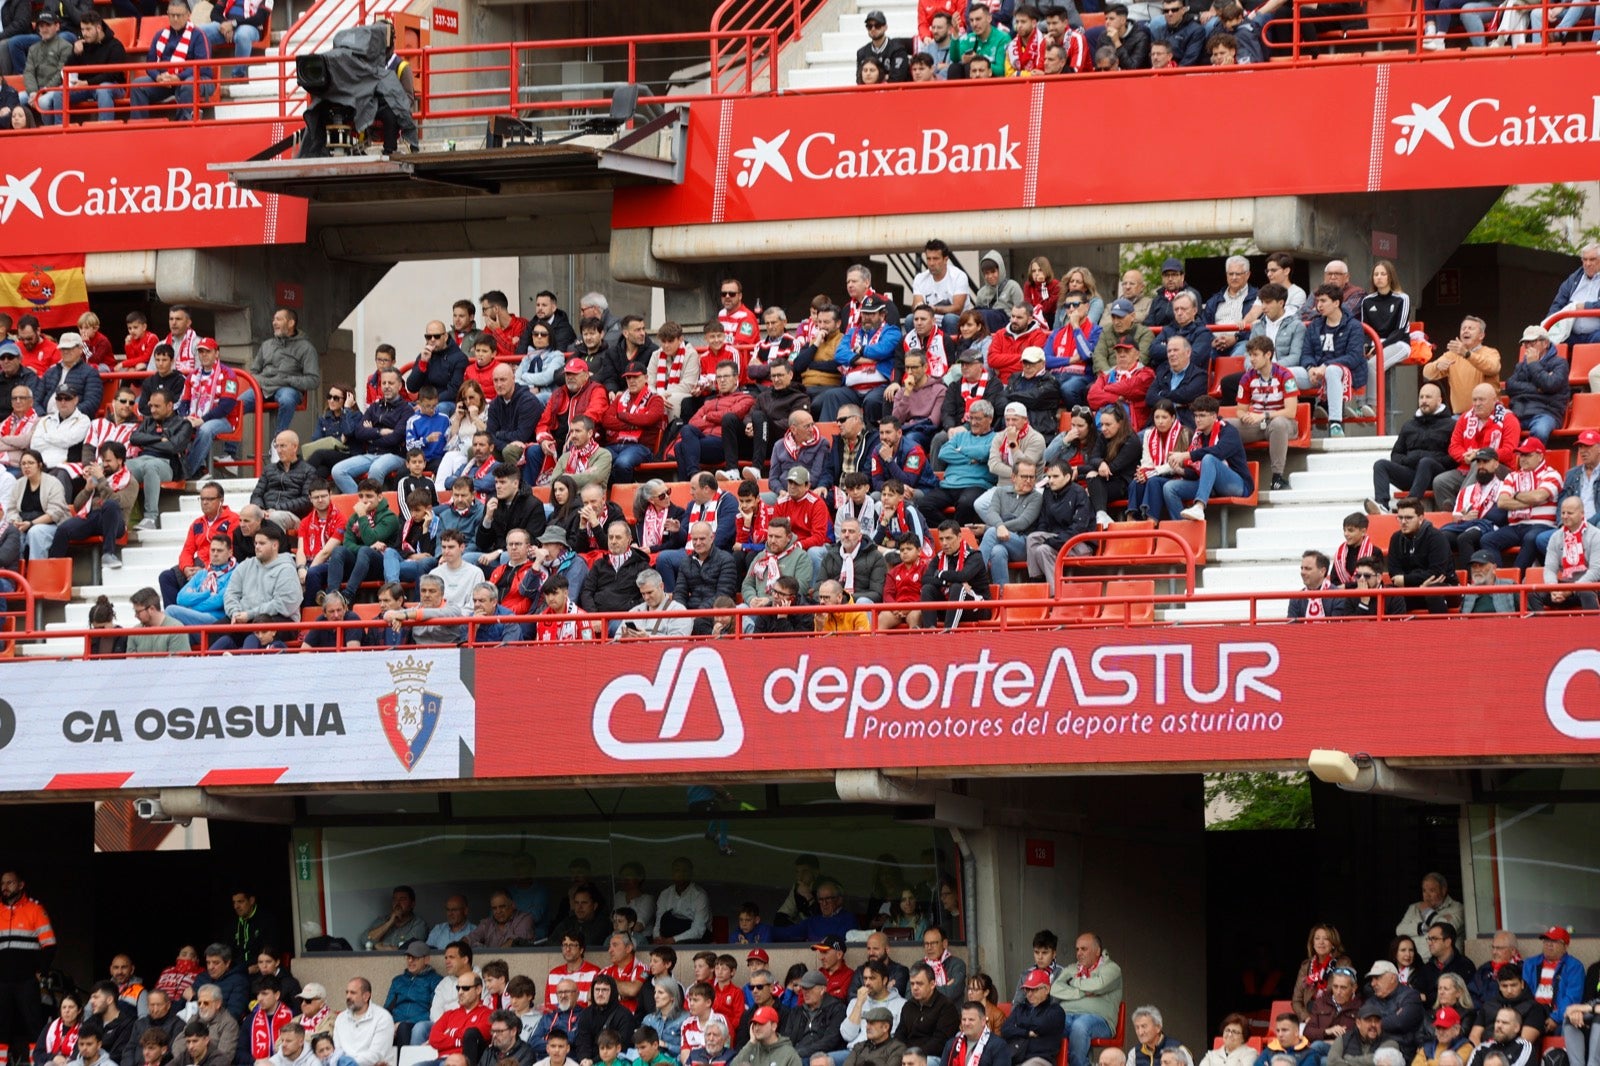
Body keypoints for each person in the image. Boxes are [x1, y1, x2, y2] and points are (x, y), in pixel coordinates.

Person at [1366, 383, 1454, 515]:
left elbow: (1453, 458)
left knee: (1426, 462)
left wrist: (1426, 457)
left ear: (1439, 400)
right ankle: (1382, 505)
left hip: (1437, 476)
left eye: (1428, 397)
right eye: (1421, 397)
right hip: (1412, 474)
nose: (1424, 401)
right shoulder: (1409, 425)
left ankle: (1409, 505)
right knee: (1380, 465)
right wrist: (1409, 460)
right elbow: (1396, 455)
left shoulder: (1451, 425)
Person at [1161, 396, 1252, 523]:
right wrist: (1181, 471)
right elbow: (1200, 471)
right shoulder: (1198, 435)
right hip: (1210, 485)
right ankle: (1183, 532)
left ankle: (1199, 506)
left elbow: (1218, 452)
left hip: (1237, 485)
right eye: (1196, 415)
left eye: (1202, 416)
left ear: (1214, 416)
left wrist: (1186, 455)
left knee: (1209, 458)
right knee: (1169, 488)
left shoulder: (1229, 431)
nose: (1197, 420)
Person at [1232, 336, 1299, 492]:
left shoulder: (1285, 375)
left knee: (1278, 424)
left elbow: (1291, 411)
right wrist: (1244, 416)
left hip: (1283, 423)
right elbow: (1240, 409)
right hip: (1256, 423)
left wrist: (1264, 415)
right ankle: (1231, 472)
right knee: (1225, 426)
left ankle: (1277, 477)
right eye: (1250, 355)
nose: (1251, 360)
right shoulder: (1247, 377)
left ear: (1268, 355)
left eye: (1255, 355)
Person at [333, 369, 413, 493]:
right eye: (383, 383)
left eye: (390, 383)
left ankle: (373, 507)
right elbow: (359, 433)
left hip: (395, 455)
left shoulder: (406, 410)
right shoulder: (374, 407)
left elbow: (395, 438)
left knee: (376, 469)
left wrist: (370, 436)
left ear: (400, 385)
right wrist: (379, 432)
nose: (386, 386)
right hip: (371, 455)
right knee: (338, 471)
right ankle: (361, 502)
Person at [129, 0, 211, 120]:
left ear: (188, 15)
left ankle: (183, 126)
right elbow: (150, 63)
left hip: (198, 79)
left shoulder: (199, 35)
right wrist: (158, 77)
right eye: (172, 15)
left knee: (188, 84)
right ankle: (140, 128)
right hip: (166, 79)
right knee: (137, 85)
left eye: (179, 15)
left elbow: (203, 65)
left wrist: (178, 77)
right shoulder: (160, 35)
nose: (175, 19)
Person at [246, 310, 321, 439]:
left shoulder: (306, 348)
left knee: (287, 400)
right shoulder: (267, 345)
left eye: (279, 319)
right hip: (264, 387)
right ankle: (229, 452)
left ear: (291, 323)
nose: (274, 323)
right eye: (274, 319)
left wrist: (288, 380)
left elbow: (313, 380)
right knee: (235, 404)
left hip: (288, 388)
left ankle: (278, 443)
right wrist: (261, 381)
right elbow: (253, 371)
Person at [1503, 326, 1570, 445]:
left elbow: (1550, 385)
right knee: (1500, 428)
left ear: (1545, 343)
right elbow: (1510, 386)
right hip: (1520, 412)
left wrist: (1533, 364)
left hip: (1546, 413)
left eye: (1532, 342)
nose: (1528, 346)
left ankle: (1531, 459)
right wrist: (1537, 389)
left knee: (1540, 430)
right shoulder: (1520, 366)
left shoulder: (1560, 363)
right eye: (1525, 343)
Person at [1422, 318, 1501, 416]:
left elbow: (1493, 368)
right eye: (1463, 328)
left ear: (1481, 335)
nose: (1466, 331)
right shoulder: (1452, 355)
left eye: (1470, 328)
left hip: (1489, 414)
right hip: (1460, 417)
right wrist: (1437, 366)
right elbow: (1427, 373)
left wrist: (1467, 354)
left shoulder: (1490, 352)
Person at [779, 975, 845, 1063]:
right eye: (804, 988)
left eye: (809, 989)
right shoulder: (797, 1011)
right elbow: (786, 1038)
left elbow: (830, 1041)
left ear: (822, 990)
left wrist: (798, 1053)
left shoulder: (837, 1009)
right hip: (795, 1055)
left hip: (821, 1056)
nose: (805, 992)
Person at [1546, 243, 1600, 344]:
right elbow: (1557, 305)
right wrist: (1548, 325)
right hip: (1571, 334)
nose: (1588, 263)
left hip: (1596, 334)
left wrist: (1585, 306)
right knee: (1548, 340)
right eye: (1585, 259)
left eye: (1592, 259)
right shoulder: (1573, 279)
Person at [332, 979, 395, 1066]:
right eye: (347, 992)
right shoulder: (340, 1018)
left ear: (366, 996)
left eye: (353, 993)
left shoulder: (383, 1017)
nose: (348, 996)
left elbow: (376, 1055)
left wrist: (349, 1064)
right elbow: (337, 1050)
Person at [939, 1004, 1005, 1066]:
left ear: (983, 1021)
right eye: (964, 1019)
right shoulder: (951, 1044)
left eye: (971, 1020)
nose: (966, 1023)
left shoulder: (998, 1046)